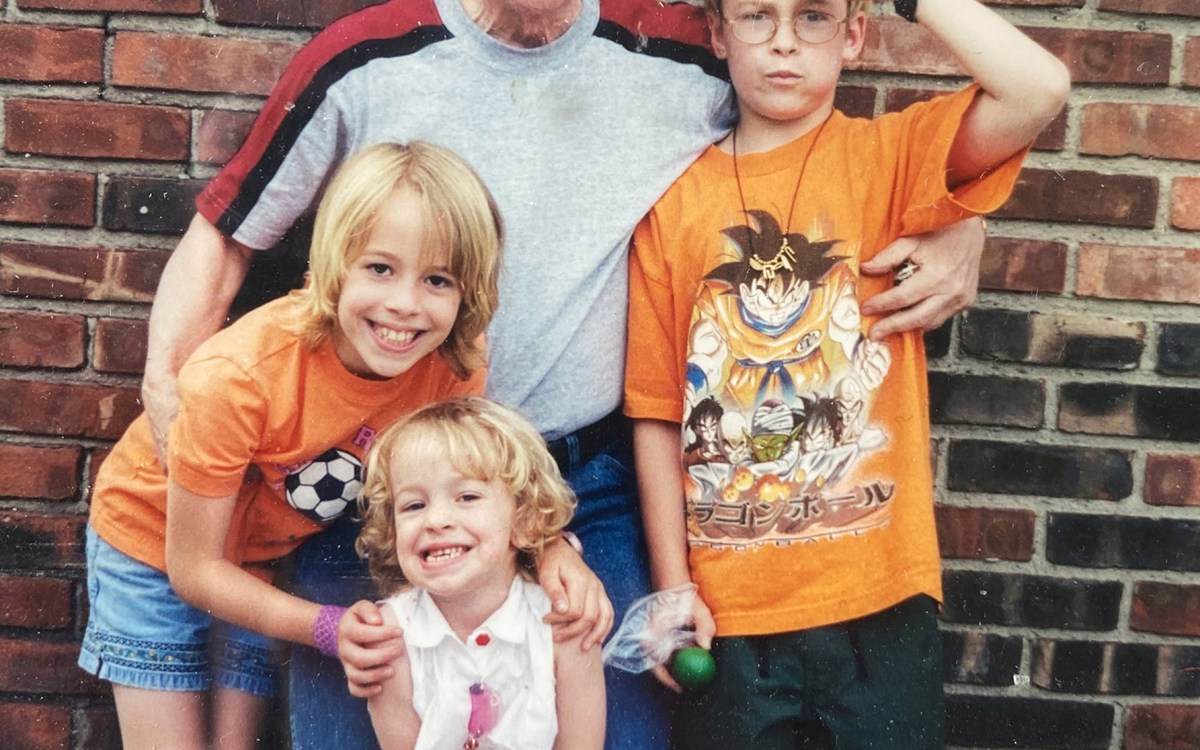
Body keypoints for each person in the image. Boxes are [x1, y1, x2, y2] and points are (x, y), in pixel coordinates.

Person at [139, 0, 994, 747]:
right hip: (391, 488)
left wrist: (963, 224)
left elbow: (813, 133)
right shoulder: (364, 59)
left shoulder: (683, 52)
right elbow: (224, 238)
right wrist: (168, 396)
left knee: (615, 734)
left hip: (586, 480)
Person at [624, 0, 1068, 745]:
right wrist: (673, 589)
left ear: (855, 35)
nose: (784, 44)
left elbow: (1038, 88)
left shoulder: (889, 158)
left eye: (815, 17)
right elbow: (656, 410)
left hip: (877, 603)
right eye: (757, 16)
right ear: (716, 32)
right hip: (732, 615)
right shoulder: (674, 204)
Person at [77, 141, 504, 750]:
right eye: (379, 268)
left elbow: (460, 493)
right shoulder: (241, 375)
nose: (405, 304)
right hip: (154, 545)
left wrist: (548, 551)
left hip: (258, 562)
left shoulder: (452, 369)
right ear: (334, 263)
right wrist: (327, 628)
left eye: (437, 280)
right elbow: (193, 568)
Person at [353, 397, 606, 749]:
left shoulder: (564, 626)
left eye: (467, 497)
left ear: (524, 519)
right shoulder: (391, 638)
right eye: (414, 505)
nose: (436, 520)